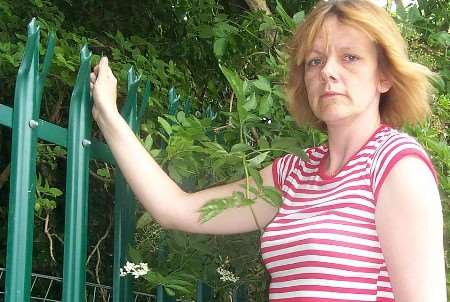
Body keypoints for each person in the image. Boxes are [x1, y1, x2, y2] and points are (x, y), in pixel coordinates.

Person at [90, 0, 447, 300]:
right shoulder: (294, 174)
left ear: (384, 77)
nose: (328, 73)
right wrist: (109, 116)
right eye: (315, 61)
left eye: (350, 57)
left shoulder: (396, 166)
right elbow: (177, 210)